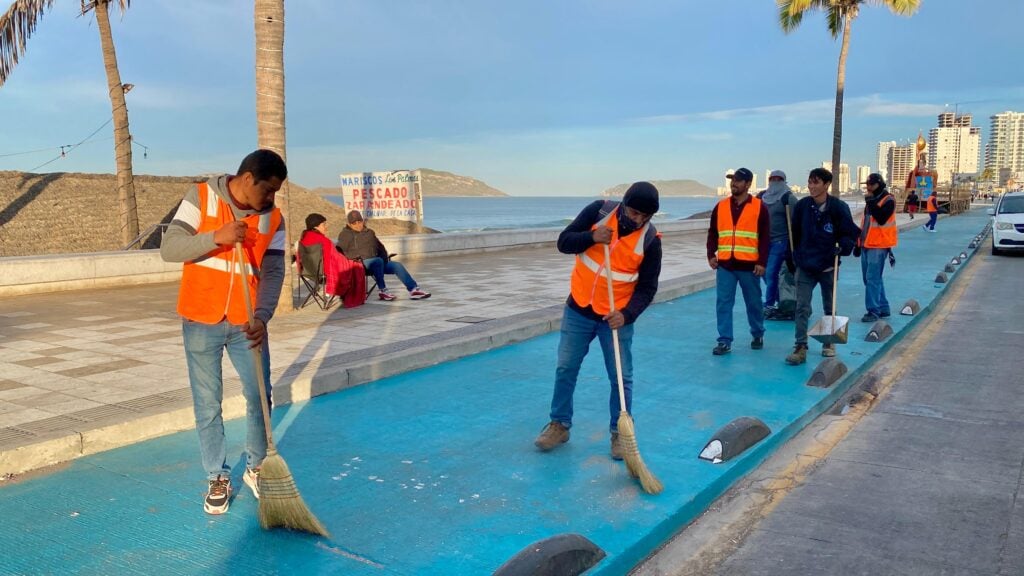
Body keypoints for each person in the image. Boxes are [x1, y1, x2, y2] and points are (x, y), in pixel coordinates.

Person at [160, 149, 287, 515]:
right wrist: (217, 236)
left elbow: (275, 271)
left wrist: (263, 316)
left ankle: (257, 466)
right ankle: (217, 474)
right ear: (248, 179)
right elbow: (170, 249)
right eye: (269, 190)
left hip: (247, 325)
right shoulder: (200, 197)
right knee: (208, 401)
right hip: (201, 319)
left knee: (260, 395)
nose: (272, 198)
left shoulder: (272, 218)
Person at [534, 182, 662, 461]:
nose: (637, 219)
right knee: (566, 367)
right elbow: (564, 242)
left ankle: (620, 433)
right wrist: (592, 237)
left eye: (644, 216)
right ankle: (559, 424)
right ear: (624, 204)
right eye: (633, 212)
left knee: (620, 377)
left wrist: (627, 315)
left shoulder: (651, 241)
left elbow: (648, 288)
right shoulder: (598, 212)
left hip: (614, 318)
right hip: (579, 308)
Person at [785, 168, 860, 365]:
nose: (811, 186)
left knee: (829, 306)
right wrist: (792, 260)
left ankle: (829, 342)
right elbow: (794, 235)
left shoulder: (838, 207)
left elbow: (849, 232)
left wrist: (844, 247)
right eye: (809, 182)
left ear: (826, 184)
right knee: (802, 307)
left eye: (816, 182)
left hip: (828, 265)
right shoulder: (802, 206)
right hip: (805, 265)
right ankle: (800, 346)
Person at [706, 168, 770, 356]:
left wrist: (762, 262)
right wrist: (711, 254)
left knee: (754, 303)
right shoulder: (721, 206)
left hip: (749, 266)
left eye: (739, 180)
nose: (734, 183)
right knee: (723, 303)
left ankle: (757, 333)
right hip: (725, 265)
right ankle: (724, 341)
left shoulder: (759, 207)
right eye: (732, 180)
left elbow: (765, 237)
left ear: (748, 184)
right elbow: (713, 232)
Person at [336, 210, 431, 301]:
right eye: (354, 223)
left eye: (359, 221)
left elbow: (381, 247)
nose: (357, 225)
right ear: (349, 224)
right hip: (359, 264)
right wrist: (352, 259)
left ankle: (413, 290)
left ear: (363, 221)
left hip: (377, 263)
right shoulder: (345, 235)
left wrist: (385, 259)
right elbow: (339, 251)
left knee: (396, 265)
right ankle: (383, 291)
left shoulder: (369, 233)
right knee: (377, 261)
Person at [299, 213, 366, 308]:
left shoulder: (303, 239)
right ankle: (350, 296)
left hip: (308, 272)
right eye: (324, 224)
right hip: (325, 272)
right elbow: (336, 260)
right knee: (357, 266)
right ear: (316, 227)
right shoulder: (323, 241)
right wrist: (352, 261)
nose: (326, 227)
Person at [756, 169, 797, 320]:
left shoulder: (788, 198)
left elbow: (796, 220)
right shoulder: (761, 197)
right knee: (765, 274)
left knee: (771, 272)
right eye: (772, 178)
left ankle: (769, 304)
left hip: (781, 241)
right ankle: (782, 301)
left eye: (779, 179)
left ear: (784, 181)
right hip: (763, 242)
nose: (775, 181)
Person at [856, 173, 897, 322]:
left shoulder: (888, 200)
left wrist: (871, 202)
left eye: (871, 184)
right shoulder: (871, 201)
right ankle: (883, 307)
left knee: (872, 278)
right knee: (872, 279)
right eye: (867, 184)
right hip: (867, 244)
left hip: (879, 245)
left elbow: (881, 218)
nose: (868, 187)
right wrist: (858, 242)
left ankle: (873, 311)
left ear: (879, 184)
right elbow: (866, 223)